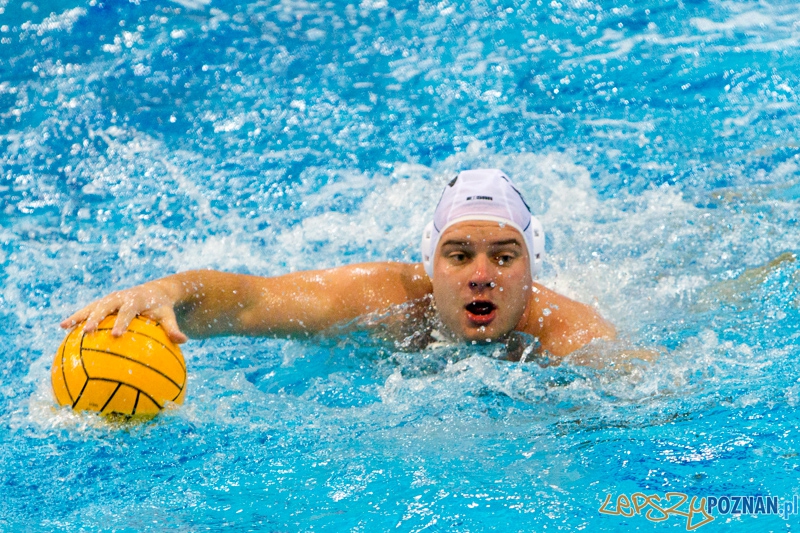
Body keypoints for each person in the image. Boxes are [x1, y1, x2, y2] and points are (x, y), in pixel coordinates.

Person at [61, 169, 616, 360]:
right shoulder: (383, 299)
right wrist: (169, 291)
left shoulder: (572, 336)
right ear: (431, 262)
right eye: (459, 254)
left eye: (503, 255)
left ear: (532, 265)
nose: (481, 274)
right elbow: (253, 301)